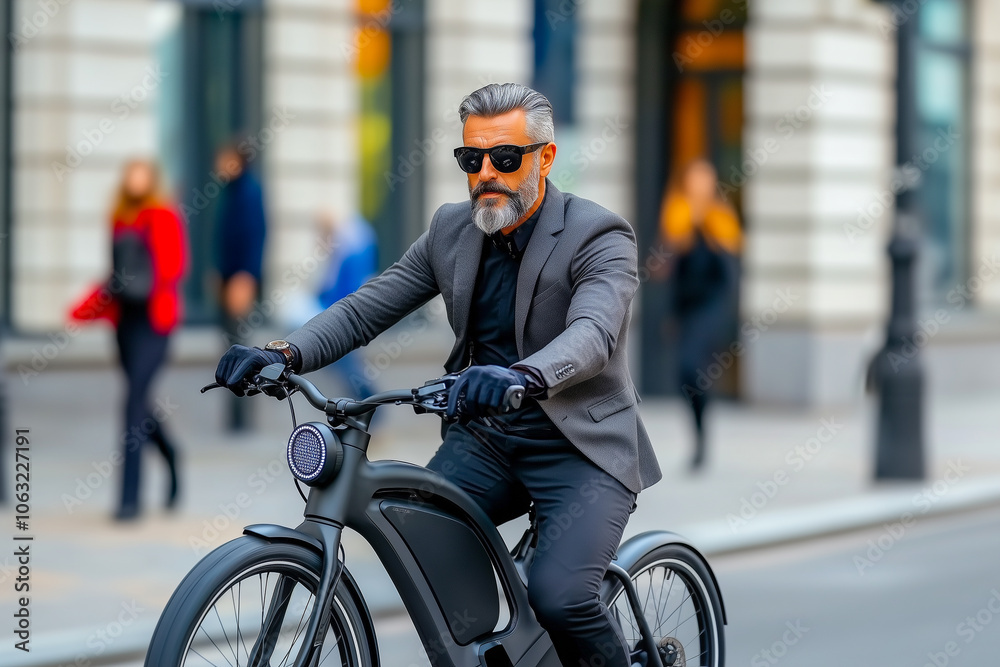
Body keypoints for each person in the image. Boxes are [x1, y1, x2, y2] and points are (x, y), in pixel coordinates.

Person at [214, 83, 660, 667]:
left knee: (561, 595)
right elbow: (366, 307)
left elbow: (593, 336)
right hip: (488, 440)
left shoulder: (598, 234)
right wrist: (284, 353)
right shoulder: (453, 229)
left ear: (544, 158)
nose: (486, 175)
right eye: (471, 160)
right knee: (425, 545)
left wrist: (521, 376)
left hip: (580, 447)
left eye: (504, 159)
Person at [71, 159, 188, 521]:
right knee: (140, 405)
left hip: (155, 325)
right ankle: (170, 452)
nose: (135, 180)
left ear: (151, 179)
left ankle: (129, 501)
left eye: (142, 174)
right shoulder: (119, 218)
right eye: (130, 174)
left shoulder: (163, 215)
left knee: (132, 405)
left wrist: (153, 234)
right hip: (126, 326)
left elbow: (173, 268)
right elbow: (116, 276)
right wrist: (84, 309)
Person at [660, 158, 742, 470]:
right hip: (687, 308)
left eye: (704, 180)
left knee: (694, 368)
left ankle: (702, 438)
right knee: (685, 375)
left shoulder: (720, 218)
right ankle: (699, 432)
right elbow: (672, 269)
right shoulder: (677, 215)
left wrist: (705, 224)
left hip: (712, 308)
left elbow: (729, 272)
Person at [214, 143, 267, 431]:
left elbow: (254, 237)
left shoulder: (249, 192)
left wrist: (246, 277)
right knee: (230, 347)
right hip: (228, 280)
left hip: (239, 283)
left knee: (242, 349)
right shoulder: (231, 192)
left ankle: (243, 419)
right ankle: (234, 418)